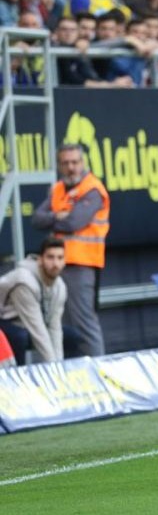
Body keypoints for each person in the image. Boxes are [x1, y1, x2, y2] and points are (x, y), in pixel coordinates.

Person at [32, 144, 109, 357]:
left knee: (84, 322)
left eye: (75, 162)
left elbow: (74, 222)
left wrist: (58, 218)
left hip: (82, 263)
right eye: (65, 163)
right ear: (59, 165)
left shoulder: (92, 189)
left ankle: (99, 371)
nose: (71, 168)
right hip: (58, 265)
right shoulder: (58, 189)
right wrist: (58, 216)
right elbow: (37, 219)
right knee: (60, 322)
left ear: (82, 163)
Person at [0, 238, 67, 365]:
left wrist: (60, 366)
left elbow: (55, 327)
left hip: (22, 323)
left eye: (60, 258)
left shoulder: (60, 286)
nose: (55, 263)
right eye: (50, 257)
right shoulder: (24, 281)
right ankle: (18, 380)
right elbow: (37, 329)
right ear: (40, 259)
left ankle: (71, 377)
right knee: (20, 337)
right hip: (4, 320)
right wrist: (52, 366)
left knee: (72, 337)